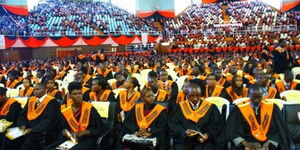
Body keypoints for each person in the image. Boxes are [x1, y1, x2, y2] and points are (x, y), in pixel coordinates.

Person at [226, 85, 292, 150]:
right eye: (253, 97)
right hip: (247, 144)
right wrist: (245, 143)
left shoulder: (272, 108)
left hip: (268, 143)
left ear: (263, 95)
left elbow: (279, 129)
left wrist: (270, 142)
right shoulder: (238, 109)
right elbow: (231, 130)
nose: (256, 100)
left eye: (259, 97)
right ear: (248, 95)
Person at [1, 83, 60, 150]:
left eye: (38, 89)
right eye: (34, 89)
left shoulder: (52, 101)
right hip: (26, 128)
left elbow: (49, 120)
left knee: (28, 143)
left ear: (44, 90)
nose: (35, 91)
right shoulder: (31, 100)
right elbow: (22, 115)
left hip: (41, 131)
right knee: (7, 137)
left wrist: (32, 130)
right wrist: (22, 125)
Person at [45, 82, 103, 150]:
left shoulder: (89, 108)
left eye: (80, 93)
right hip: (70, 138)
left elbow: (98, 127)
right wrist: (65, 132)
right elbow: (61, 127)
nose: (78, 96)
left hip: (86, 139)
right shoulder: (65, 109)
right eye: (75, 94)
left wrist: (82, 133)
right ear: (69, 95)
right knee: (49, 148)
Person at [169, 83, 224, 149]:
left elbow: (217, 125)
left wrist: (208, 135)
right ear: (187, 96)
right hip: (185, 140)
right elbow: (174, 124)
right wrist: (184, 132)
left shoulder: (210, 107)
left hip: (204, 141)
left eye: (197, 95)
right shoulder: (179, 107)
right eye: (192, 96)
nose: (195, 98)